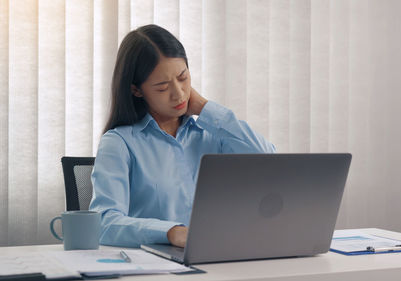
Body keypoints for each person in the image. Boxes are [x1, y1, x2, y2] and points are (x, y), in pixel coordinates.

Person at [89, 24, 275, 248]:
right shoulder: (119, 143)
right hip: (155, 264)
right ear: (137, 90)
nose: (178, 93)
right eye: (162, 87)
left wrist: (205, 108)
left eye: (183, 77)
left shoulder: (213, 132)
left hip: (220, 256)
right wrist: (170, 233)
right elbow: (104, 223)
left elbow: (269, 160)